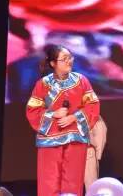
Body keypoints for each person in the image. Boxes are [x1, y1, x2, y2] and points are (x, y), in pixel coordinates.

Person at [26, 44, 100, 196]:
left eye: (70, 58)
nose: (69, 61)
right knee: (49, 181)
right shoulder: (43, 84)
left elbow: (92, 105)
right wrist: (53, 114)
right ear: (53, 63)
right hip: (50, 140)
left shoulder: (81, 81)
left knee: (73, 181)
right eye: (64, 59)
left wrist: (74, 117)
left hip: (75, 139)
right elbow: (32, 111)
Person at [84, 115, 107, 192]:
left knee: (91, 186)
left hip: (86, 151)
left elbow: (101, 129)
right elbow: (101, 131)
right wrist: (98, 154)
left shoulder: (92, 113)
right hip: (79, 151)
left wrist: (97, 155)